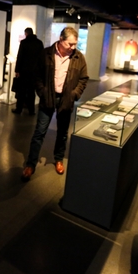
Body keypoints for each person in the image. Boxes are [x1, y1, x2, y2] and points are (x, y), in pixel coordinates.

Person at [21, 27, 89, 181]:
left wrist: (74, 94)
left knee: (63, 133)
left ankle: (58, 159)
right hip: (48, 97)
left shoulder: (79, 57)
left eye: (75, 44)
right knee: (39, 132)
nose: (73, 47)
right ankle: (30, 164)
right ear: (60, 39)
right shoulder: (46, 54)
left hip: (66, 99)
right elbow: (36, 75)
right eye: (69, 44)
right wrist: (42, 91)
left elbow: (83, 79)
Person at [12, 27, 44, 115]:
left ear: (26, 33)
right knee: (31, 92)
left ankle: (19, 109)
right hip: (35, 72)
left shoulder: (24, 43)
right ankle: (31, 110)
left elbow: (20, 57)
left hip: (24, 71)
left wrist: (17, 70)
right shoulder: (39, 43)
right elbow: (42, 58)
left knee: (21, 91)